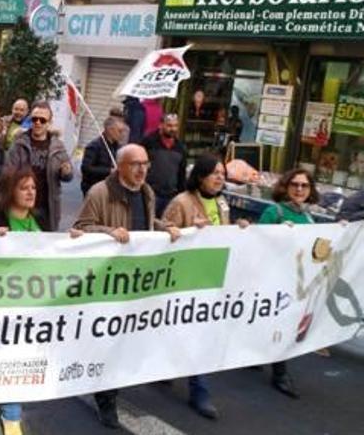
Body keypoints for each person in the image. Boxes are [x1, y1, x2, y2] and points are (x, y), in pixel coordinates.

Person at [73, 144, 180, 429]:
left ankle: (111, 385)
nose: (142, 169)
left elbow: (144, 225)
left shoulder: (147, 193)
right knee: (109, 342)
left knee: (126, 340)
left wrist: (164, 226)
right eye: (135, 164)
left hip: (138, 281)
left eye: (145, 163)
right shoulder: (100, 193)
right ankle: (106, 399)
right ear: (120, 166)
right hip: (109, 282)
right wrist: (109, 232)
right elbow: (81, 228)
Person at [162, 153, 251, 419]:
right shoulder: (182, 202)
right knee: (178, 331)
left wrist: (238, 228)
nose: (220, 178)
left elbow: (222, 234)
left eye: (223, 174)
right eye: (215, 173)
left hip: (210, 280)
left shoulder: (222, 203)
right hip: (182, 282)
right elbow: (162, 231)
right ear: (200, 176)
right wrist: (186, 231)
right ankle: (188, 382)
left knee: (200, 335)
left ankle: (197, 388)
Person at [0, 167, 50, 435]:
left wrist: (71, 241)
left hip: (34, 301)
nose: (31, 193)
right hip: (0, 302)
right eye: (24, 188)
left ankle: (10, 408)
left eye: (33, 188)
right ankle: (11, 412)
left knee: (19, 353)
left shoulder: (41, 218)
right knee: (7, 352)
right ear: (9, 191)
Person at [256, 168, 320, 399]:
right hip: (274, 279)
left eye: (304, 186)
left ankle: (259, 356)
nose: (299, 189)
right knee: (280, 323)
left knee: (283, 322)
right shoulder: (275, 212)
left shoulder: (309, 217)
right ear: (286, 186)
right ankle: (280, 373)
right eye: (295, 184)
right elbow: (257, 242)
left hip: (296, 280)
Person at [4, 101, 73, 231]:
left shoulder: (58, 145)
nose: (38, 123)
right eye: (34, 119)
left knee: (44, 247)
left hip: (47, 206)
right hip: (20, 206)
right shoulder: (19, 143)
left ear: (49, 122)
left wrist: (66, 172)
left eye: (42, 120)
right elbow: (6, 174)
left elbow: (68, 176)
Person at [140, 113, 187, 218]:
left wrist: (181, 195)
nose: (173, 129)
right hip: (151, 193)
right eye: (169, 125)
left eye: (175, 126)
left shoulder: (180, 147)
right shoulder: (149, 142)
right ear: (161, 125)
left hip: (171, 195)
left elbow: (181, 173)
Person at [81, 117, 124, 196]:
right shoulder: (94, 146)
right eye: (119, 131)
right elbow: (86, 169)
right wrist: (109, 171)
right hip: (93, 188)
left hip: (111, 188)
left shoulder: (118, 147)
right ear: (110, 130)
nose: (122, 134)